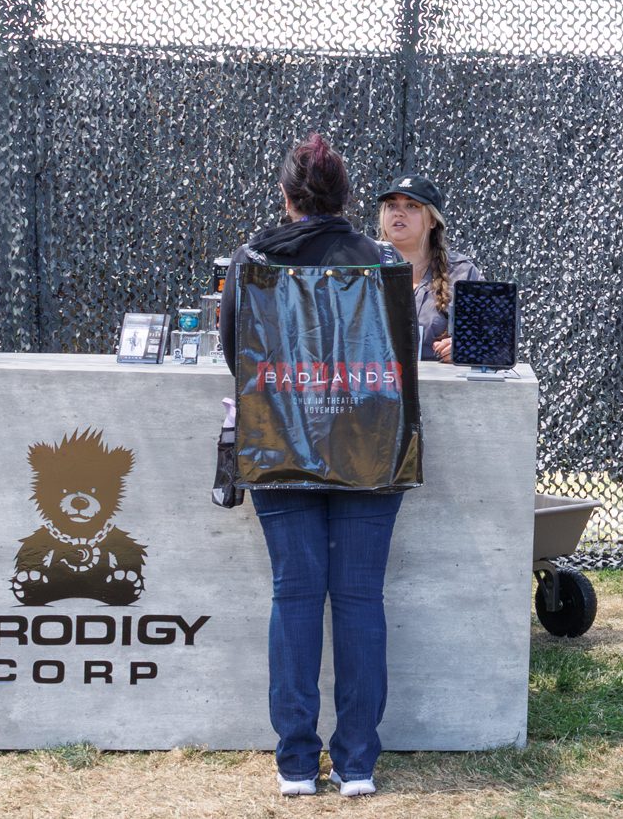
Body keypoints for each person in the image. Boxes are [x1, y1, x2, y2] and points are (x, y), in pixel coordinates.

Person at [221, 134, 400, 799]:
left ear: (287, 196)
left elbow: (233, 345)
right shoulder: (380, 259)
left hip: (283, 442)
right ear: (347, 198)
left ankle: (296, 764)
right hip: (367, 446)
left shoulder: (253, 257)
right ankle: (357, 763)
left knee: (295, 597)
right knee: (359, 599)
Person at [372, 174, 481, 362]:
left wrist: (465, 348)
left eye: (411, 205)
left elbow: (490, 337)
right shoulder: (362, 267)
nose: (398, 213)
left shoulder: (462, 273)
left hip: (442, 389)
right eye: (391, 205)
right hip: (374, 386)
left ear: (432, 220)